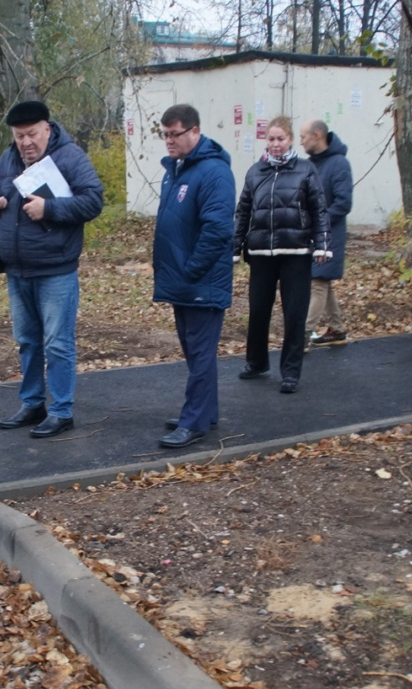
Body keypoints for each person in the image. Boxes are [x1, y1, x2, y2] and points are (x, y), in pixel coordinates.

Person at [0, 101, 104, 437]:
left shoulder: (70, 157)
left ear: (47, 129)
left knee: (57, 343)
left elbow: (94, 200)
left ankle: (62, 410)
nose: (26, 142)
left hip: (55, 269)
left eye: (32, 134)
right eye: (19, 136)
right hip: (17, 269)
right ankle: (33, 403)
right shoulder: (8, 159)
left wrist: (50, 208)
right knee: (27, 341)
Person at [153, 104, 236, 448]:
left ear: (195, 132)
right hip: (181, 280)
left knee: (200, 353)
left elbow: (218, 229)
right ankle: (205, 411)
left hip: (200, 279)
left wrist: (192, 269)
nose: (169, 141)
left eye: (175, 134)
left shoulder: (214, 172)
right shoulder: (176, 170)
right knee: (193, 351)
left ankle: (194, 422)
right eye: (165, 134)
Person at [234, 116, 331, 394]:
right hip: (262, 252)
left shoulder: (305, 169)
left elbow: (319, 209)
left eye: (281, 139)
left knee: (294, 314)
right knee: (258, 310)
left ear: (289, 140)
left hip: (296, 252)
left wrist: (323, 244)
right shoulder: (255, 172)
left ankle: (290, 372)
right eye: (271, 139)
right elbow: (243, 212)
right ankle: (256, 362)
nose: (276, 145)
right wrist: (236, 246)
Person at [299, 119, 354, 348]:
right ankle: (337, 329)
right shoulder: (310, 165)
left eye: (304, 137)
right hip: (313, 234)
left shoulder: (339, 164)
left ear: (318, 135)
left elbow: (343, 203)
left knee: (318, 282)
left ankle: (301, 334)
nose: (300, 141)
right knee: (323, 281)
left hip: (329, 236)